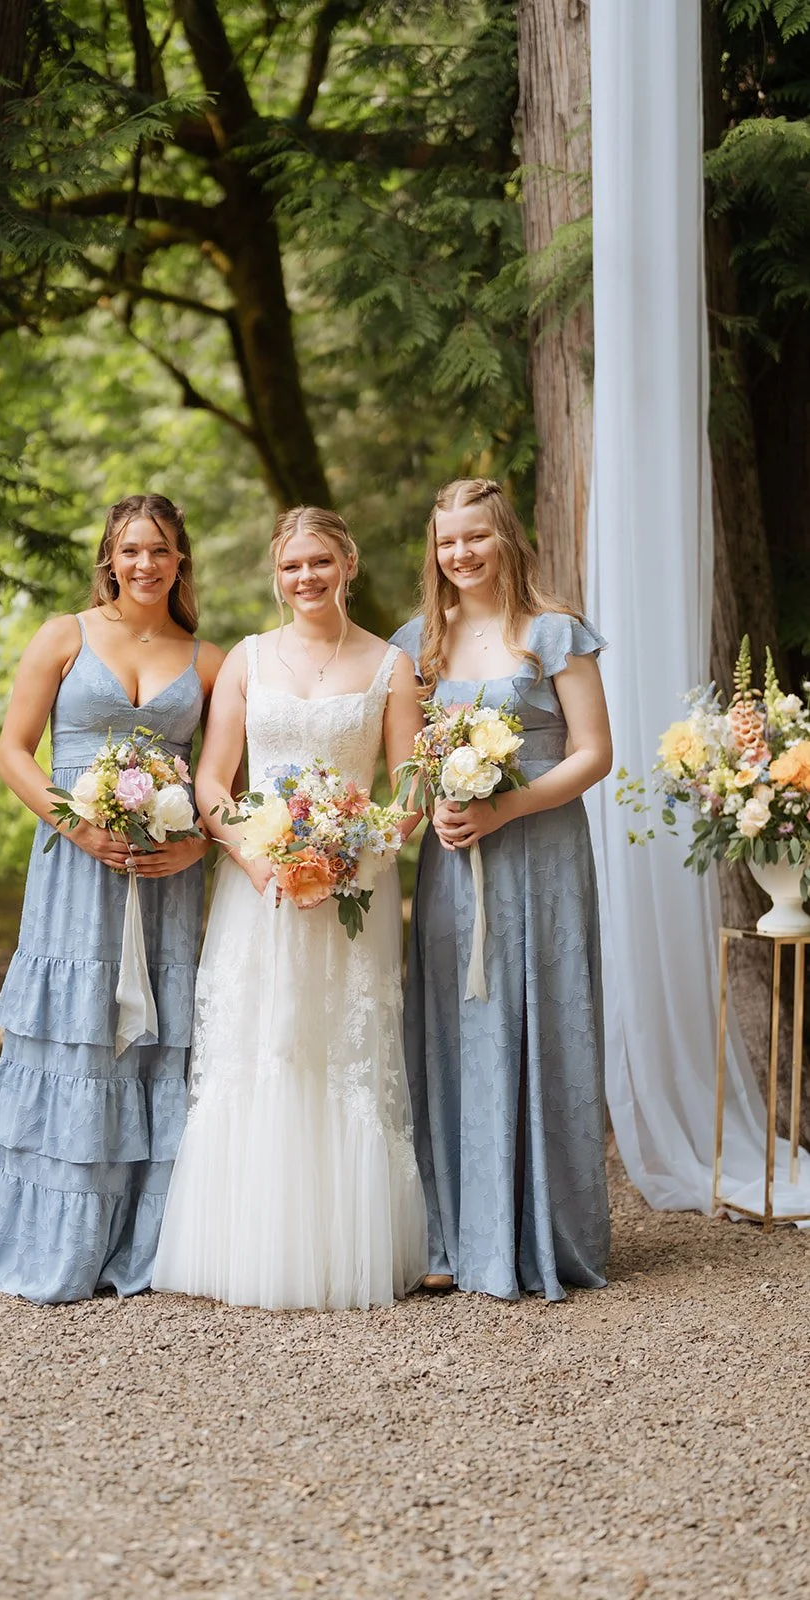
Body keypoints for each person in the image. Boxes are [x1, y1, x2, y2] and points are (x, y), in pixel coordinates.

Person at [0, 495, 222, 1302]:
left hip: (164, 872)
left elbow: (221, 784)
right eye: (130, 550)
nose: (144, 564)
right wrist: (77, 824)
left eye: (160, 550)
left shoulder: (205, 659)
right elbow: (12, 751)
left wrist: (193, 844)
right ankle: (54, 1239)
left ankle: (147, 1240)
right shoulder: (64, 636)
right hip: (74, 863)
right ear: (110, 556)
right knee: (78, 1030)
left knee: (153, 1036)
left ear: (180, 561)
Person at [152, 507, 428, 1311]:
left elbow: (408, 786)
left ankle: (344, 1248)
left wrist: (353, 855)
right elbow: (213, 780)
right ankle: (246, 1245)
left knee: (340, 1049)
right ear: (277, 575)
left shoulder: (390, 664)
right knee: (260, 1042)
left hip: (352, 886)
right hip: (258, 885)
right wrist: (253, 853)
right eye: (290, 567)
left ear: (346, 563)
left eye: (318, 562)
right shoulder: (246, 659)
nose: (304, 578)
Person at [392, 477, 612, 1302]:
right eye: (447, 542)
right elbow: (408, 761)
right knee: (455, 1025)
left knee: (541, 1019)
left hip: (542, 855)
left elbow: (594, 752)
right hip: (455, 862)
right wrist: (429, 814)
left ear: (504, 538)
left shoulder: (553, 632)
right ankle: (454, 1234)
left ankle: (539, 1231)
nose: (461, 555)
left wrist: (507, 805)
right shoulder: (418, 642)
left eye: (474, 538)